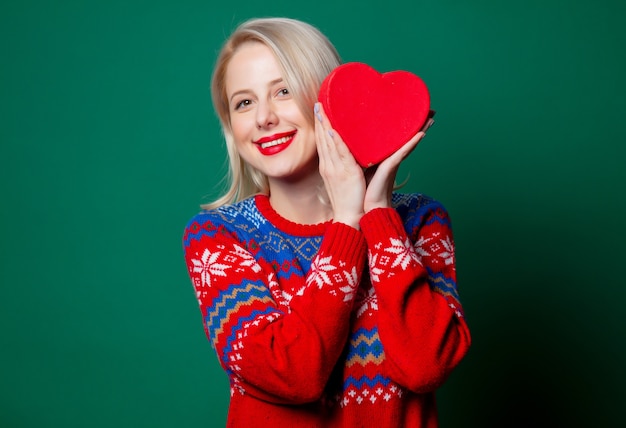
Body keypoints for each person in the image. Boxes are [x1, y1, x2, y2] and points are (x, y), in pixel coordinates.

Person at [182, 17, 471, 427]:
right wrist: (348, 225)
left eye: (283, 91)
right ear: (232, 126)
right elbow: (296, 375)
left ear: (328, 98)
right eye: (243, 102)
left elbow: (427, 366)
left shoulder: (421, 221)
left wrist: (379, 216)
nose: (263, 117)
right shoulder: (218, 236)